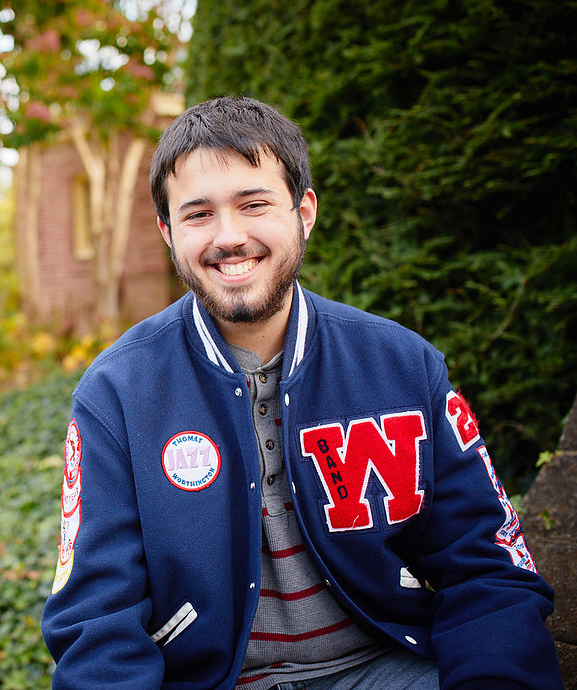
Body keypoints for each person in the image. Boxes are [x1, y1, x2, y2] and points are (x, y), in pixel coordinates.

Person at [41, 96, 562, 689]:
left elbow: (489, 568)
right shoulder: (117, 394)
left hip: (383, 666)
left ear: (304, 210)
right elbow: (96, 620)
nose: (229, 237)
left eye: (254, 203)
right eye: (197, 215)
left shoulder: (403, 366)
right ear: (166, 231)